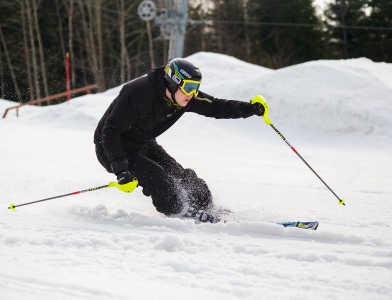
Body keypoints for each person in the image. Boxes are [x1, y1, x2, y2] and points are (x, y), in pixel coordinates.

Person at [94, 58, 264, 223]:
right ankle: (179, 211)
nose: (192, 94)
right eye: (189, 88)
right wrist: (121, 170)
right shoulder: (138, 93)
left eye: (196, 88)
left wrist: (249, 109)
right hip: (112, 148)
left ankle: (206, 206)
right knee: (159, 177)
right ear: (173, 82)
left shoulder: (183, 97)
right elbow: (110, 132)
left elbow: (214, 106)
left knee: (179, 174)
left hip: (142, 142)